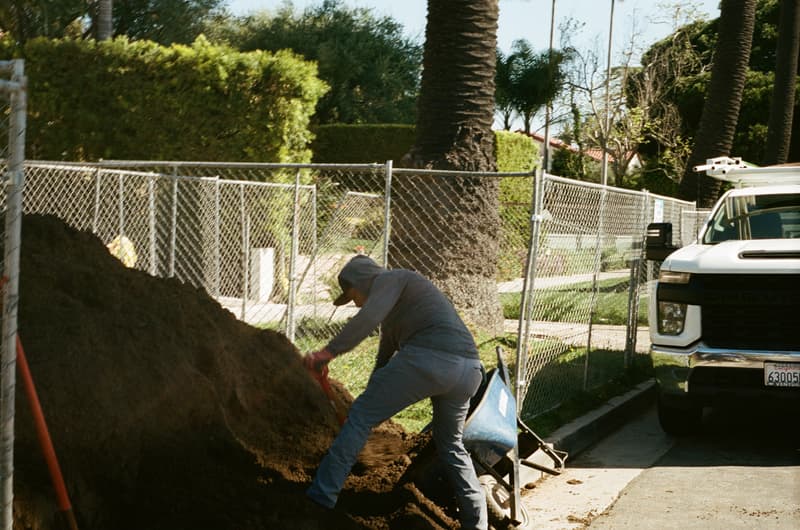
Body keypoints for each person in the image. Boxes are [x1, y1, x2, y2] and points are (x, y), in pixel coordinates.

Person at [303, 254, 487, 530]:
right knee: (450, 444)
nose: (354, 303)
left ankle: (320, 497)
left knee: (360, 420)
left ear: (361, 281)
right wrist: (366, 403)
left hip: (430, 359)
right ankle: (477, 524)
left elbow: (366, 319)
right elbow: (383, 360)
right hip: (469, 370)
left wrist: (326, 354)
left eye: (352, 295)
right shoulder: (398, 307)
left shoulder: (392, 278)